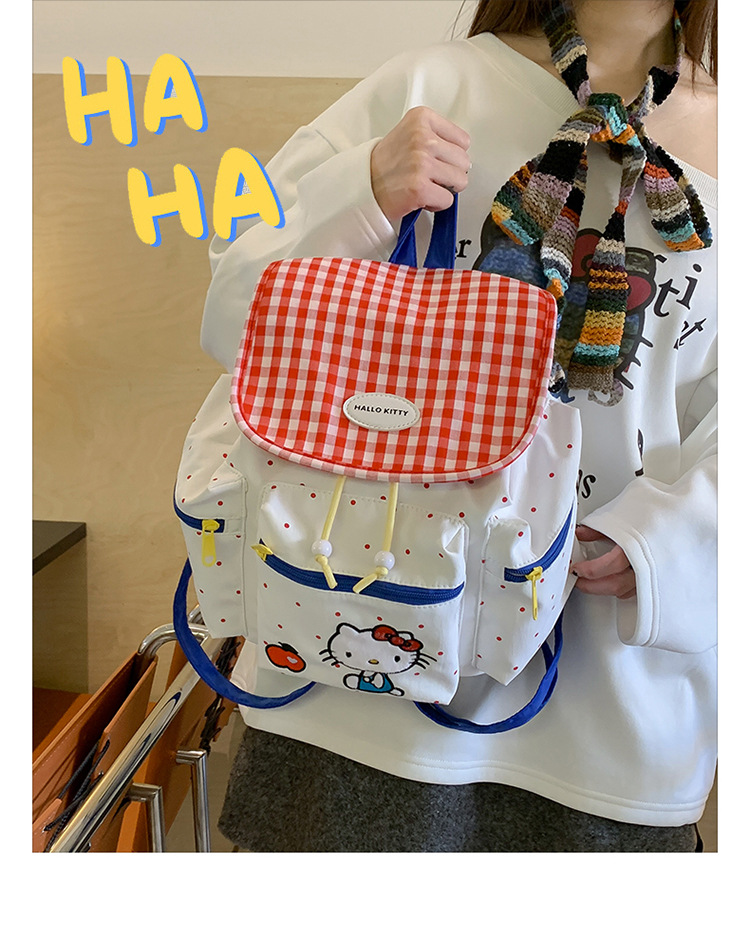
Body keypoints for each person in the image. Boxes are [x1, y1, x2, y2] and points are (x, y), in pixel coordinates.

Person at [201, 0, 717, 852]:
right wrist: (361, 194)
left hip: (609, 723)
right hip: (353, 690)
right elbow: (233, 315)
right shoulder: (425, 87)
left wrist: (673, 540)